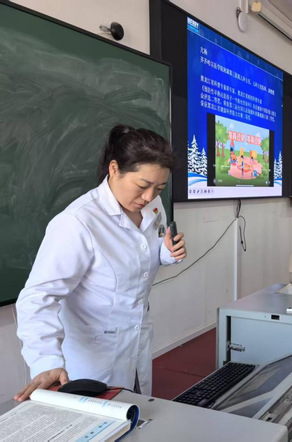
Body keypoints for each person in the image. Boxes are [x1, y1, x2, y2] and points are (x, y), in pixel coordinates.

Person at [15, 124, 187, 401]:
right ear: (114, 169)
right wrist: (46, 361)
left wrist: (166, 253)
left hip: (136, 343)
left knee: (137, 412)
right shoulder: (78, 222)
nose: (148, 197)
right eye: (142, 186)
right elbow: (38, 297)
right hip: (92, 358)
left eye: (159, 188)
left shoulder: (153, 207)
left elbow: (140, 255)